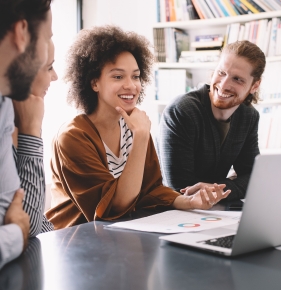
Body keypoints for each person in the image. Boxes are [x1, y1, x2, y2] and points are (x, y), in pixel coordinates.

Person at [46, 25, 230, 229]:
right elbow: (113, 208)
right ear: (94, 83)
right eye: (118, 76)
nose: (131, 86)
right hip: (75, 242)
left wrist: (189, 201)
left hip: (122, 234)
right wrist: (141, 137)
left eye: (135, 76)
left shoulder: (133, 127)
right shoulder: (73, 137)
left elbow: (150, 190)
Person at [157, 40, 265, 201]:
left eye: (237, 79)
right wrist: (231, 186)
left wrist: (216, 190)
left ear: (255, 86)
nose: (223, 85)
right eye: (221, 73)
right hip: (171, 213)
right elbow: (180, 189)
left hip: (216, 210)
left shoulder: (248, 117)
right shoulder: (182, 111)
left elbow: (253, 177)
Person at [0, 0, 53, 269]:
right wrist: (13, 235)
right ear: (22, 33)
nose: (54, 76)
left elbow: (22, 217)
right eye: (48, 37)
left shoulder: (4, 110)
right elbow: (25, 223)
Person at [12, 40, 58, 229]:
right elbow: (29, 225)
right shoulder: (26, 121)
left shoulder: (27, 112)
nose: (55, 77)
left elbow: (39, 223)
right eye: (49, 68)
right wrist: (31, 128)